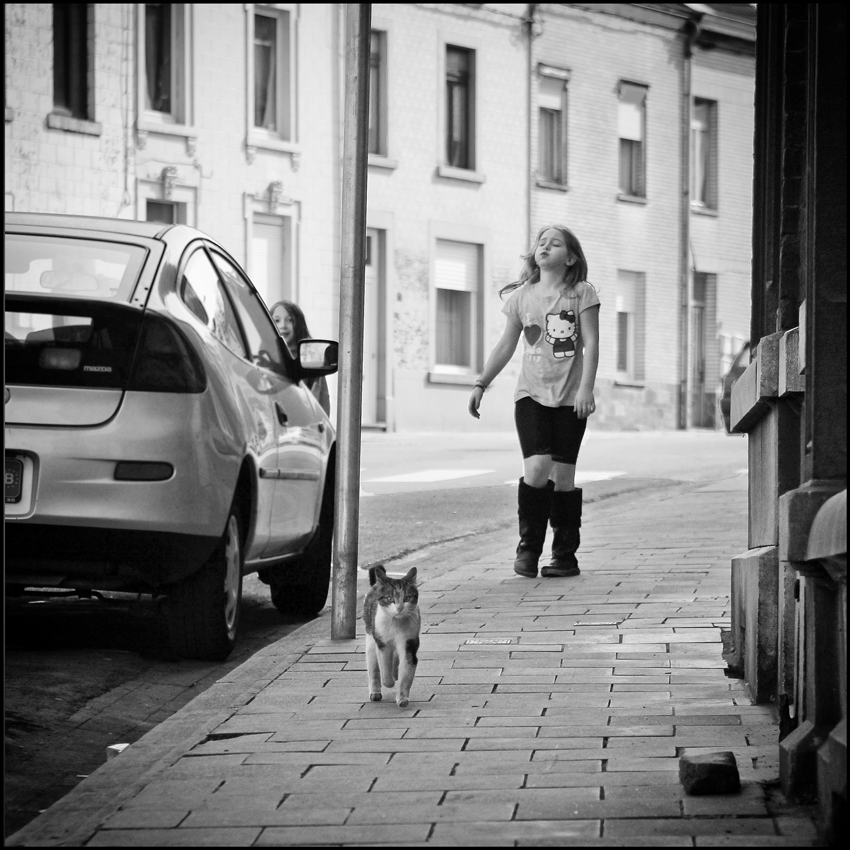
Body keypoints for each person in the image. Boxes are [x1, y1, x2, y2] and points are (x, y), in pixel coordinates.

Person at [468, 225, 600, 578]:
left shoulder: (581, 294)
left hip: (572, 399)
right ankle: (528, 549)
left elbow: (591, 343)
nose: (545, 247)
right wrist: (482, 382)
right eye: (541, 243)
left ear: (570, 257)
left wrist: (587, 388)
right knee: (538, 467)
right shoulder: (522, 298)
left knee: (565, 475)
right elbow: (505, 346)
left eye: (555, 244)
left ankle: (564, 555)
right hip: (531, 395)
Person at [270, 300, 331, 416]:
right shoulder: (264, 356)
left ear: (299, 324)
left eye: (290, 320)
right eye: (277, 321)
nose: (283, 325)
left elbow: (321, 399)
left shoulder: (310, 357)